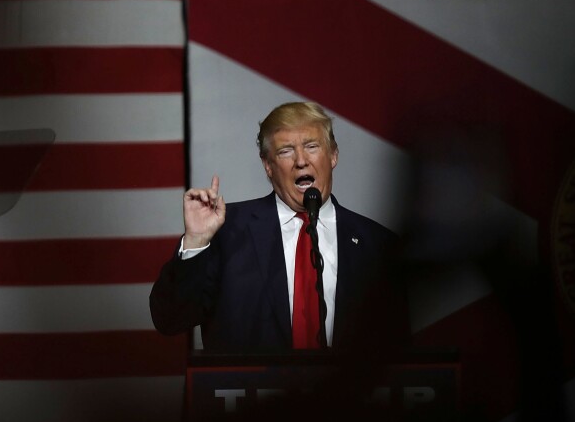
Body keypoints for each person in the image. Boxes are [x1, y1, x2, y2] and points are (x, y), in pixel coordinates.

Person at [149, 101, 410, 357]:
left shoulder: (378, 245)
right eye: (286, 151)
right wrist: (195, 242)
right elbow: (170, 320)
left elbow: (398, 354)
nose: (301, 161)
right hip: (253, 398)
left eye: (311, 146)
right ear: (268, 166)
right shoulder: (226, 232)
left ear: (333, 155)